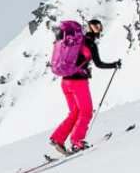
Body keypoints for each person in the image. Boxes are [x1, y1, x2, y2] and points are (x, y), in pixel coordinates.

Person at [49, 17, 121, 157]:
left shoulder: (76, 41)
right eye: (97, 27)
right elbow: (99, 64)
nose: (98, 30)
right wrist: (114, 65)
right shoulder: (90, 44)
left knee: (75, 112)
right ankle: (77, 142)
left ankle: (58, 138)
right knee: (86, 112)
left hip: (65, 82)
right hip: (78, 82)